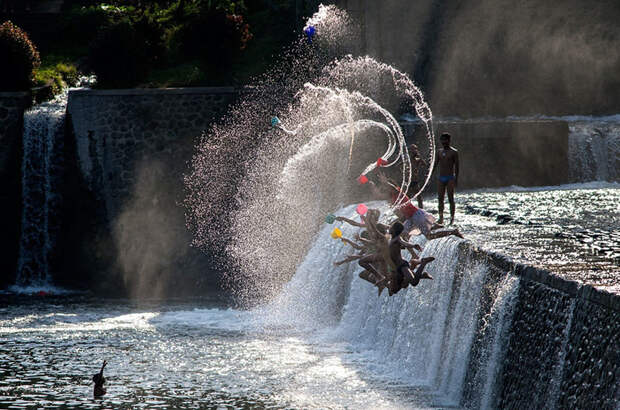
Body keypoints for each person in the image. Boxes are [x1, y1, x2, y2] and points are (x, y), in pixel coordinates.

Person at [374, 173, 463, 240]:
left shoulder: (398, 192)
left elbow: (392, 187)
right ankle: (413, 254)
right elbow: (402, 216)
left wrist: (385, 182)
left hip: (416, 215)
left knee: (429, 236)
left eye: (386, 188)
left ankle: (453, 232)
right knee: (402, 235)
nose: (385, 190)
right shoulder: (393, 198)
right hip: (410, 219)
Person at [387, 221, 434, 294]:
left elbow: (404, 243)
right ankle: (422, 275)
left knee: (414, 282)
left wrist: (413, 245)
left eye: (391, 227)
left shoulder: (397, 238)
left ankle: (423, 263)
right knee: (394, 290)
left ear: (394, 230)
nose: (389, 228)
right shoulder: (391, 239)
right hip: (396, 268)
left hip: (402, 265)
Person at [436, 132, 459, 225]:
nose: (443, 142)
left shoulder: (454, 152)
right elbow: (435, 164)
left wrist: (456, 179)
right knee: (440, 198)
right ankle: (441, 218)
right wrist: (429, 175)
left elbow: (457, 166)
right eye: (442, 140)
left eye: (445, 140)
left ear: (449, 141)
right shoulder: (439, 152)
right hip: (441, 177)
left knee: (450, 198)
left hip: (450, 177)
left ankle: (451, 218)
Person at [407, 143, 426, 209]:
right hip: (408, 181)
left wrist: (420, 158)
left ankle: (422, 210)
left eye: (414, 150)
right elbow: (400, 166)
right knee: (408, 197)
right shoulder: (408, 159)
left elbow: (424, 164)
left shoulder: (417, 159)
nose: (412, 151)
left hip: (415, 180)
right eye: (411, 150)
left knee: (419, 197)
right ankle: (408, 211)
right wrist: (406, 171)